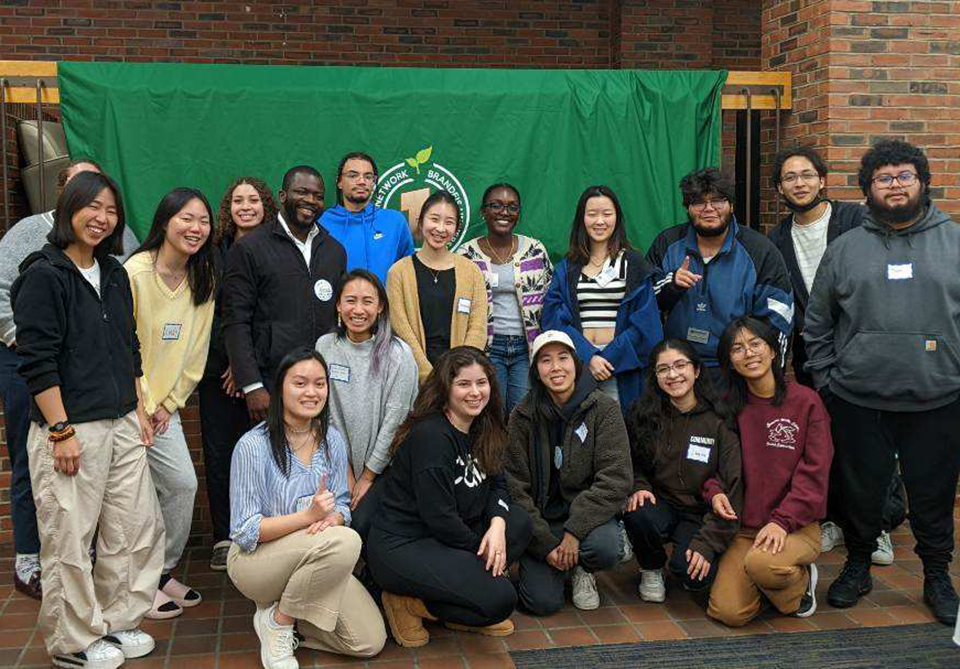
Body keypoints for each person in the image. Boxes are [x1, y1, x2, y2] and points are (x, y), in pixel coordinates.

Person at [804, 140, 960, 625]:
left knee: (933, 496)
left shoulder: (954, 242)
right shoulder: (846, 249)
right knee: (861, 492)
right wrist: (830, 383)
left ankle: (936, 575)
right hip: (857, 398)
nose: (895, 185)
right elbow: (818, 323)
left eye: (904, 176)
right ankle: (856, 565)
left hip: (938, 397)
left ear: (923, 182)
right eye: (884, 178)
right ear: (868, 188)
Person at [12, 170, 164, 668]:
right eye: (91, 207)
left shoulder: (115, 272)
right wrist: (60, 430)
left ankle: (117, 622)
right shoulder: (43, 273)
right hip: (71, 427)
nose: (101, 219)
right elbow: (37, 359)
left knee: (130, 528)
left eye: (111, 210)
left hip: (122, 419)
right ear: (67, 210)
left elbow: (129, 346)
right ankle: (72, 642)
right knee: (70, 539)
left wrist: (139, 408)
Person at [767, 145, 904, 567]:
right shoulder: (777, 239)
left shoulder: (855, 220)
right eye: (790, 177)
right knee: (823, 440)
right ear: (779, 188)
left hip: (862, 352)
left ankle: (875, 525)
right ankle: (833, 519)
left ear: (822, 179)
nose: (799, 183)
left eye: (806, 175)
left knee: (869, 441)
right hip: (814, 357)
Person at [0, 158, 121, 600]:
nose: (100, 215)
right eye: (83, 194)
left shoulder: (109, 255)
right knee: (31, 463)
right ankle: (30, 557)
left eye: (106, 204)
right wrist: (28, 343)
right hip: (25, 363)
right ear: (64, 194)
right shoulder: (31, 239)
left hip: (86, 378)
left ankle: (81, 562)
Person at [228, 348, 386, 668]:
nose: (311, 392)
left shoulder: (332, 440)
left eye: (319, 383)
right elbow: (244, 532)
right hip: (257, 563)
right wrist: (307, 518)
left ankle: (288, 614)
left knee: (368, 641)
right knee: (347, 541)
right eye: (300, 383)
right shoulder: (253, 446)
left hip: (319, 556)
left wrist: (336, 516)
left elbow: (342, 502)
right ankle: (280, 624)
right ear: (279, 388)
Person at [367, 347, 532, 648]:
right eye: (464, 384)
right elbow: (439, 519)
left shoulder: (483, 425)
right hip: (405, 544)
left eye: (481, 383)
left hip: (450, 534)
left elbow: (498, 485)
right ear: (445, 388)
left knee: (517, 525)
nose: (475, 392)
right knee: (500, 598)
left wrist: (496, 526)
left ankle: (459, 607)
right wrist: (482, 553)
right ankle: (406, 602)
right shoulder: (432, 436)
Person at [125, 187, 218, 619]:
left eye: (203, 221)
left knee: (182, 485)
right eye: (186, 218)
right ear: (164, 221)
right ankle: (136, 585)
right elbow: (122, 345)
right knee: (133, 500)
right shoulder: (135, 273)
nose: (195, 228)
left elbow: (195, 351)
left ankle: (160, 571)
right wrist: (141, 405)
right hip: (126, 406)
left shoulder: (203, 279)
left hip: (166, 410)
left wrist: (169, 404)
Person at [707, 317, 832, 627]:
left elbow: (815, 472)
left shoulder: (806, 402)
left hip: (795, 526)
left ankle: (796, 586)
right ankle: (768, 582)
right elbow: (711, 466)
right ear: (730, 362)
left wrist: (782, 521)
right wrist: (715, 491)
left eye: (755, 344)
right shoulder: (729, 407)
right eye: (737, 349)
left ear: (773, 351)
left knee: (763, 564)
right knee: (729, 612)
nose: (748, 353)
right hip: (745, 529)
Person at [504, 330, 632, 614]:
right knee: (542, 603)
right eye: (546, 361)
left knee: (606, 547)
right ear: (536, 371)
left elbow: (616, 478)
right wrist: (545, 544)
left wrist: (574, 532)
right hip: (542, 520)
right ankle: (557, 563)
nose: (556, 367)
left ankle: (583, 570)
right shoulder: (522, 416)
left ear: (576, 363)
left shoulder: (604, 409)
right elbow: (515, 485)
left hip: (586, 519)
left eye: (563, 358)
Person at [646, 168, 794, 385]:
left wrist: (767, 376)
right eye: (698, 202)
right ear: (687, 208)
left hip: (735, 372)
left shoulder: (759, 250)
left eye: (718, 201)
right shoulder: (667, 243)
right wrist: (671, 284)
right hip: (677, 371)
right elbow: (642, 302)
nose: (709, 209)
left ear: (731, 206)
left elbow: (779, 318)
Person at [223, 165, 346, 422]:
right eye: (302, 192)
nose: (311, 201)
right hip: (270, 384)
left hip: (318, 385)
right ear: (282, 196)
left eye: (318, 196)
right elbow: (236, 321)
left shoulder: (334, 251)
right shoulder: (250, 248)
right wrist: (252, 385)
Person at [623, 338, 741, 603]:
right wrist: (639, 485)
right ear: (655, 376)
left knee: (691, 575)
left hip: (701, 513)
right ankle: (651, 567)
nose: (673, 375)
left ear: (696, 370)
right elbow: (633, 461)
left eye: (680, 365)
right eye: (663, 369)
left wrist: (708, 542)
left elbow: (733, 486)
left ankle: (688, 557)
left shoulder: (720, 420)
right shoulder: (645, 414)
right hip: (661, 502)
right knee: (637, 511)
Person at [201, 177, 278, 572]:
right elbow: (207, 313)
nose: (245, 206)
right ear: (227, 208)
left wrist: (244, 366)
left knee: (264, 453)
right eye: (237, 200)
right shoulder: (212, 253)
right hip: (217, 373)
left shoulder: (276, 249)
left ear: (266, 205)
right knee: (220, 453)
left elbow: (268, 313)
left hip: (259, 372)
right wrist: (229, 360)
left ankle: (264, 529)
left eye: (253, 200)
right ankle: (223, 536)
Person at [314, 268, 418, 536]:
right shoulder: (325, 347)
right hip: (338, 461)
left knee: (361, 521)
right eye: (350, 300)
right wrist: (345, 469)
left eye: (367, 301)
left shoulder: (398, 354)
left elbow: (397, 419)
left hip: (387, 467)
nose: (358, 310)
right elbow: (327, 412)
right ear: (338, 304)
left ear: (381, 306)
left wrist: (369, 475)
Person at [541, 185, 663, 410]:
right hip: (579, 365)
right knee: (581, 434)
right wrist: (589, 357)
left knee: (620, 434)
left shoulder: (633, 264)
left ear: (617, 218)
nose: (600, 221)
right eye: (592, 214)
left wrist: (608, 358)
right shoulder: (568, 268)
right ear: (582, 219)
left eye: (607, 214)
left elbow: (646, 324)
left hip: (621, 367)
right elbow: (553, 320)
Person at [458, 182, 554, 415]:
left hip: (526, 348)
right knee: (491, 415)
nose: (504, 212)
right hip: (487, 348)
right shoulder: (465, 254)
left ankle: (517, 455)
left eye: (512, 207)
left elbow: (552, 298)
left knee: (522, 415)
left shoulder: (535, 250)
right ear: (483, 211)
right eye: (496, 205)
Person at [386, 191, 487, 384]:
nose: (440, 228)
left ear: (456, 228)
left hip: (460, 378)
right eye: (434, 219)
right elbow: (400, 327)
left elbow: (478, 328)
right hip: (413, 376)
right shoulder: (398, 272)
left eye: (449, 222)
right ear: (421, 221)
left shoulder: (471, 272)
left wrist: (458, 374)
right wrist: (430, 378)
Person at [318, 151, 414, 284]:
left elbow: (409, 273)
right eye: (353, 175)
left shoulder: (394, 222)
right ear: (339, 182)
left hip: (386, 304)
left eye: (368, 177)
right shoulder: (322, 223)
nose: (362, 181)